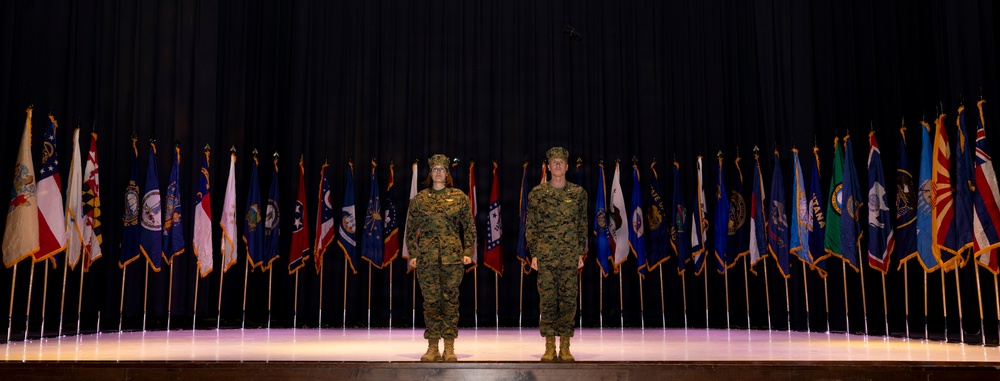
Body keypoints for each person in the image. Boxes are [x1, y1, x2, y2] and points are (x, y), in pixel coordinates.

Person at [405, 154, 475, 362]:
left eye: (441, 169)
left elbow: (469, 228)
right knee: (431, 302)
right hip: (427, 260)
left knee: (450, 302)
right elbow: (410, 230)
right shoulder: (420, 199)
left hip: (452, 260)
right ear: (430, 173)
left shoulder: (460, 197)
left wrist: (466, 252)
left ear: (447, 173)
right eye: (435, 169)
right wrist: (414, 254)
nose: (438, 172)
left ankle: (450, 346)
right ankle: (433, 346)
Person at [526, 147, 588, 362]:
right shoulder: (537, 194)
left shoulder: (578, 194)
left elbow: (582, 226)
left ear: (567, 166)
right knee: (548, 301)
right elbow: (531, 227)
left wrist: (581, 252)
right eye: (555, 162)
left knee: (569, 301)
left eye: (562, 162)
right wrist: (533, 254)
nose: (558, 165)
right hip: (546, 257)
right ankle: (550, 345)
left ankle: (566, 345)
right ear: (549, 167)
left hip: (570, 255)